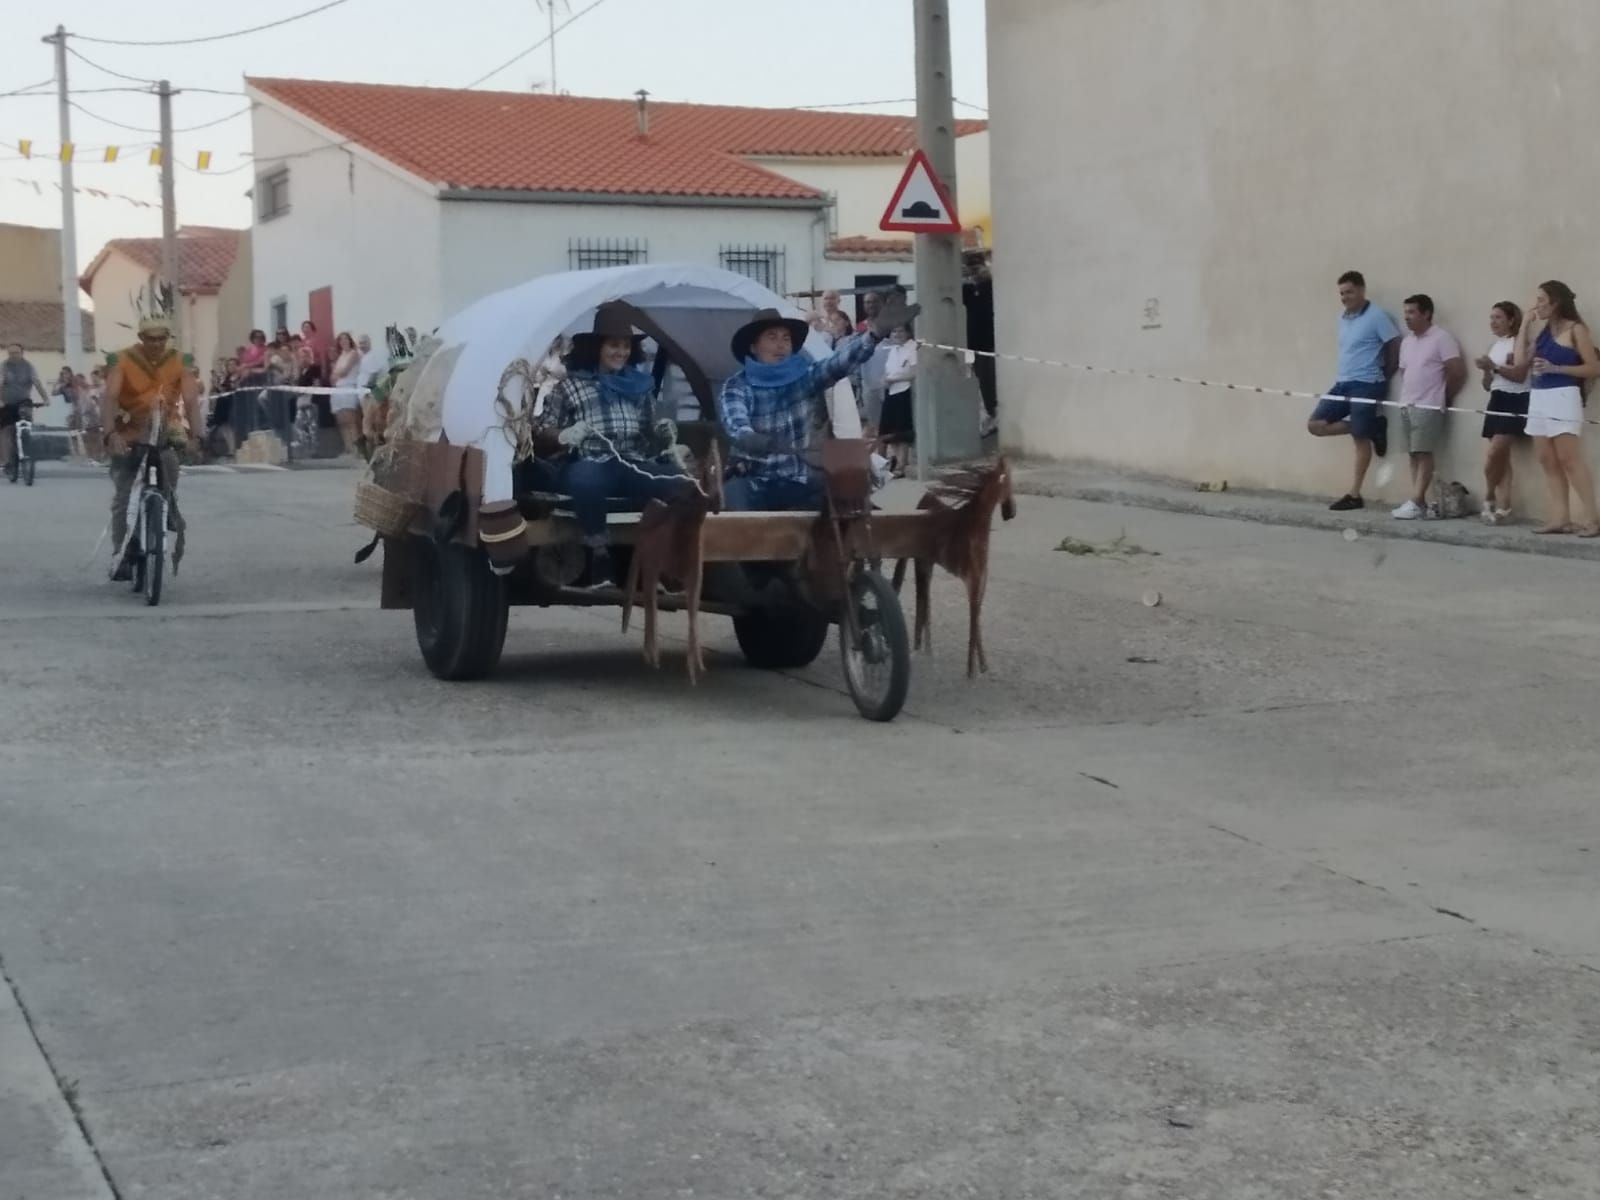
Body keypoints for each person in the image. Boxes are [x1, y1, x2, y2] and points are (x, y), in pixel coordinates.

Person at [542, 304, 695, 587]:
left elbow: (649, 432)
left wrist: (663, 433)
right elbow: (544, 428)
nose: (620, 352)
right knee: (586, 480)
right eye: (613, 345)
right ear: (597, 348)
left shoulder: (640, 387)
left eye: (625, 346)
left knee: (681, 483)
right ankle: (599, 555)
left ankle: (662, 560)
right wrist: (563, 435)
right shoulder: (571, 386)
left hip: (630, 462)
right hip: (589, 461)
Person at [720, 298, 916, 512]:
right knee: (732, 522)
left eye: (786, 338)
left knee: (850, 513)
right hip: (753, 481)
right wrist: (749, 437)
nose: (781, 344)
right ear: (753, 347)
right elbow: (735, 422)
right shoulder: (737, 385)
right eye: (772, 337)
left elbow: (838, 363)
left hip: (801, 482)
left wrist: (875, 334)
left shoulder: (805, 377)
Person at [103, 313, 201, 579]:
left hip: (164, 429)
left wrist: (196, 436)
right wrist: (111, 432)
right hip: (129, 429)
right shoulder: (122, 360)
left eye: (162, 338)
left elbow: (191, 400)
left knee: (170, 464)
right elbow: (110, 396)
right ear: (141, 338)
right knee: (124, 494)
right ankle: (120, 554)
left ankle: (165, 505)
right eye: (151, 338)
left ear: (168, 338)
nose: (157, 343)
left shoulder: (181, 361)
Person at [1508, 280, 1600, 536]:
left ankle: (1593, 518)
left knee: (1569, 459)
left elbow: (1594, 368)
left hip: (1563, 395)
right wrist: (1525, 323)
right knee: (1547, 459)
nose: (1537, 305)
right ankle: (1560, 517)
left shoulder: (1576, 329)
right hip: (1539, 396)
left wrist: (1556, 368)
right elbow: (1518, 363)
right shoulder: (1544, 331)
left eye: (1541, 300)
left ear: (1556, 302)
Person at [1308, 270, 1402, 511]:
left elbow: (1394, 343)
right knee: (1316, 425)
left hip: (1367, 383)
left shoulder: (1377, 316)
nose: (1345, 297)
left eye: (1349, 291)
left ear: (1361, 290)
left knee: (1360, 439)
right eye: (1341, 293)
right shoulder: (1343, 318)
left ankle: (1355, 494)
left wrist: (1385, 374)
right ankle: (1374, 426)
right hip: (1343, 383)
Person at [1390, 294, 1465, 520]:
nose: (1408, 318)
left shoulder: (1442, 338)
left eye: (1412, 312)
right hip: (1407, 403)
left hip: (1429, 404)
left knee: (1423, 452)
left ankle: (1415, 500)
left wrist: (1444, 396)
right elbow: (1404, 371)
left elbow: (1456, 370)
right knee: (1413, 453)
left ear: (1426, 314)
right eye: (1406, 313)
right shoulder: (1407, 341)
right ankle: (1419, 500)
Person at [1472, 301, 1529, 523]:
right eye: (1491, 318)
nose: (1493, 322)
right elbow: (1488, 384)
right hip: (1497, 399)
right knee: (1501, 458)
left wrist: (1494, 367)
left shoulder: (1519, 343)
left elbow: (1519, 376)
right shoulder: (1495, 345)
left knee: (1495, 452)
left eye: (1498, 318)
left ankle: (1489, 495)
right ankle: (1504, 505)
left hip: (1515, 399)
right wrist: (1487, 370)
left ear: (1511, 320)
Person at [964, 251, 998, 437]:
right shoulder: (967, 291)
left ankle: (993, 415)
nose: (974, 274)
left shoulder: (991, 288)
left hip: (990, 343)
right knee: (978, 383)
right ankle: (987, 418)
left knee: (990, 382)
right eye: (971, 271)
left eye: (977, 269)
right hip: (972, 344)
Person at [1, 345, 50, 474]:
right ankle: (7, 462)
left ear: (22, 353)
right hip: (7, 403)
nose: (13, 355)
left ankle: (27, 449)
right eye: (10, 353)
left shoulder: (28, 367)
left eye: (16, 353)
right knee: (6, 431)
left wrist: (45, 398)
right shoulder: (4, 366)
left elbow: (37, 382)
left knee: (26, 425)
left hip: (24, 401)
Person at [879, 322, 919, 476]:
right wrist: (885, 379)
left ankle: (902, 464)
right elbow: (888, 370)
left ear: (908, 332)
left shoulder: (912, 347)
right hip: (891, 391)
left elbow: (915, 372)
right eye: (894, 331)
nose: (897, 334)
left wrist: (894, 379)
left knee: (902, 431)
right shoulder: (893, 349)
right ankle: (895, 459)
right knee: (888, 430)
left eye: (900, 331)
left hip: (904, 391)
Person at [328, 331, 364, 455]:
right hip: (338, 389)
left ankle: (356, 448)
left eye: (345, 339)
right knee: (341, 421)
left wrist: (337, 374)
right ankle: (348, 447)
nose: (343, 341)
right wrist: (337, 375)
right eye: (341, 339)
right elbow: (333, 376)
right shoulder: (341, 355)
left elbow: (345, 371)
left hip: (349, 387)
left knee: (350, 419)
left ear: (350, 340)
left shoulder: (354, 354)